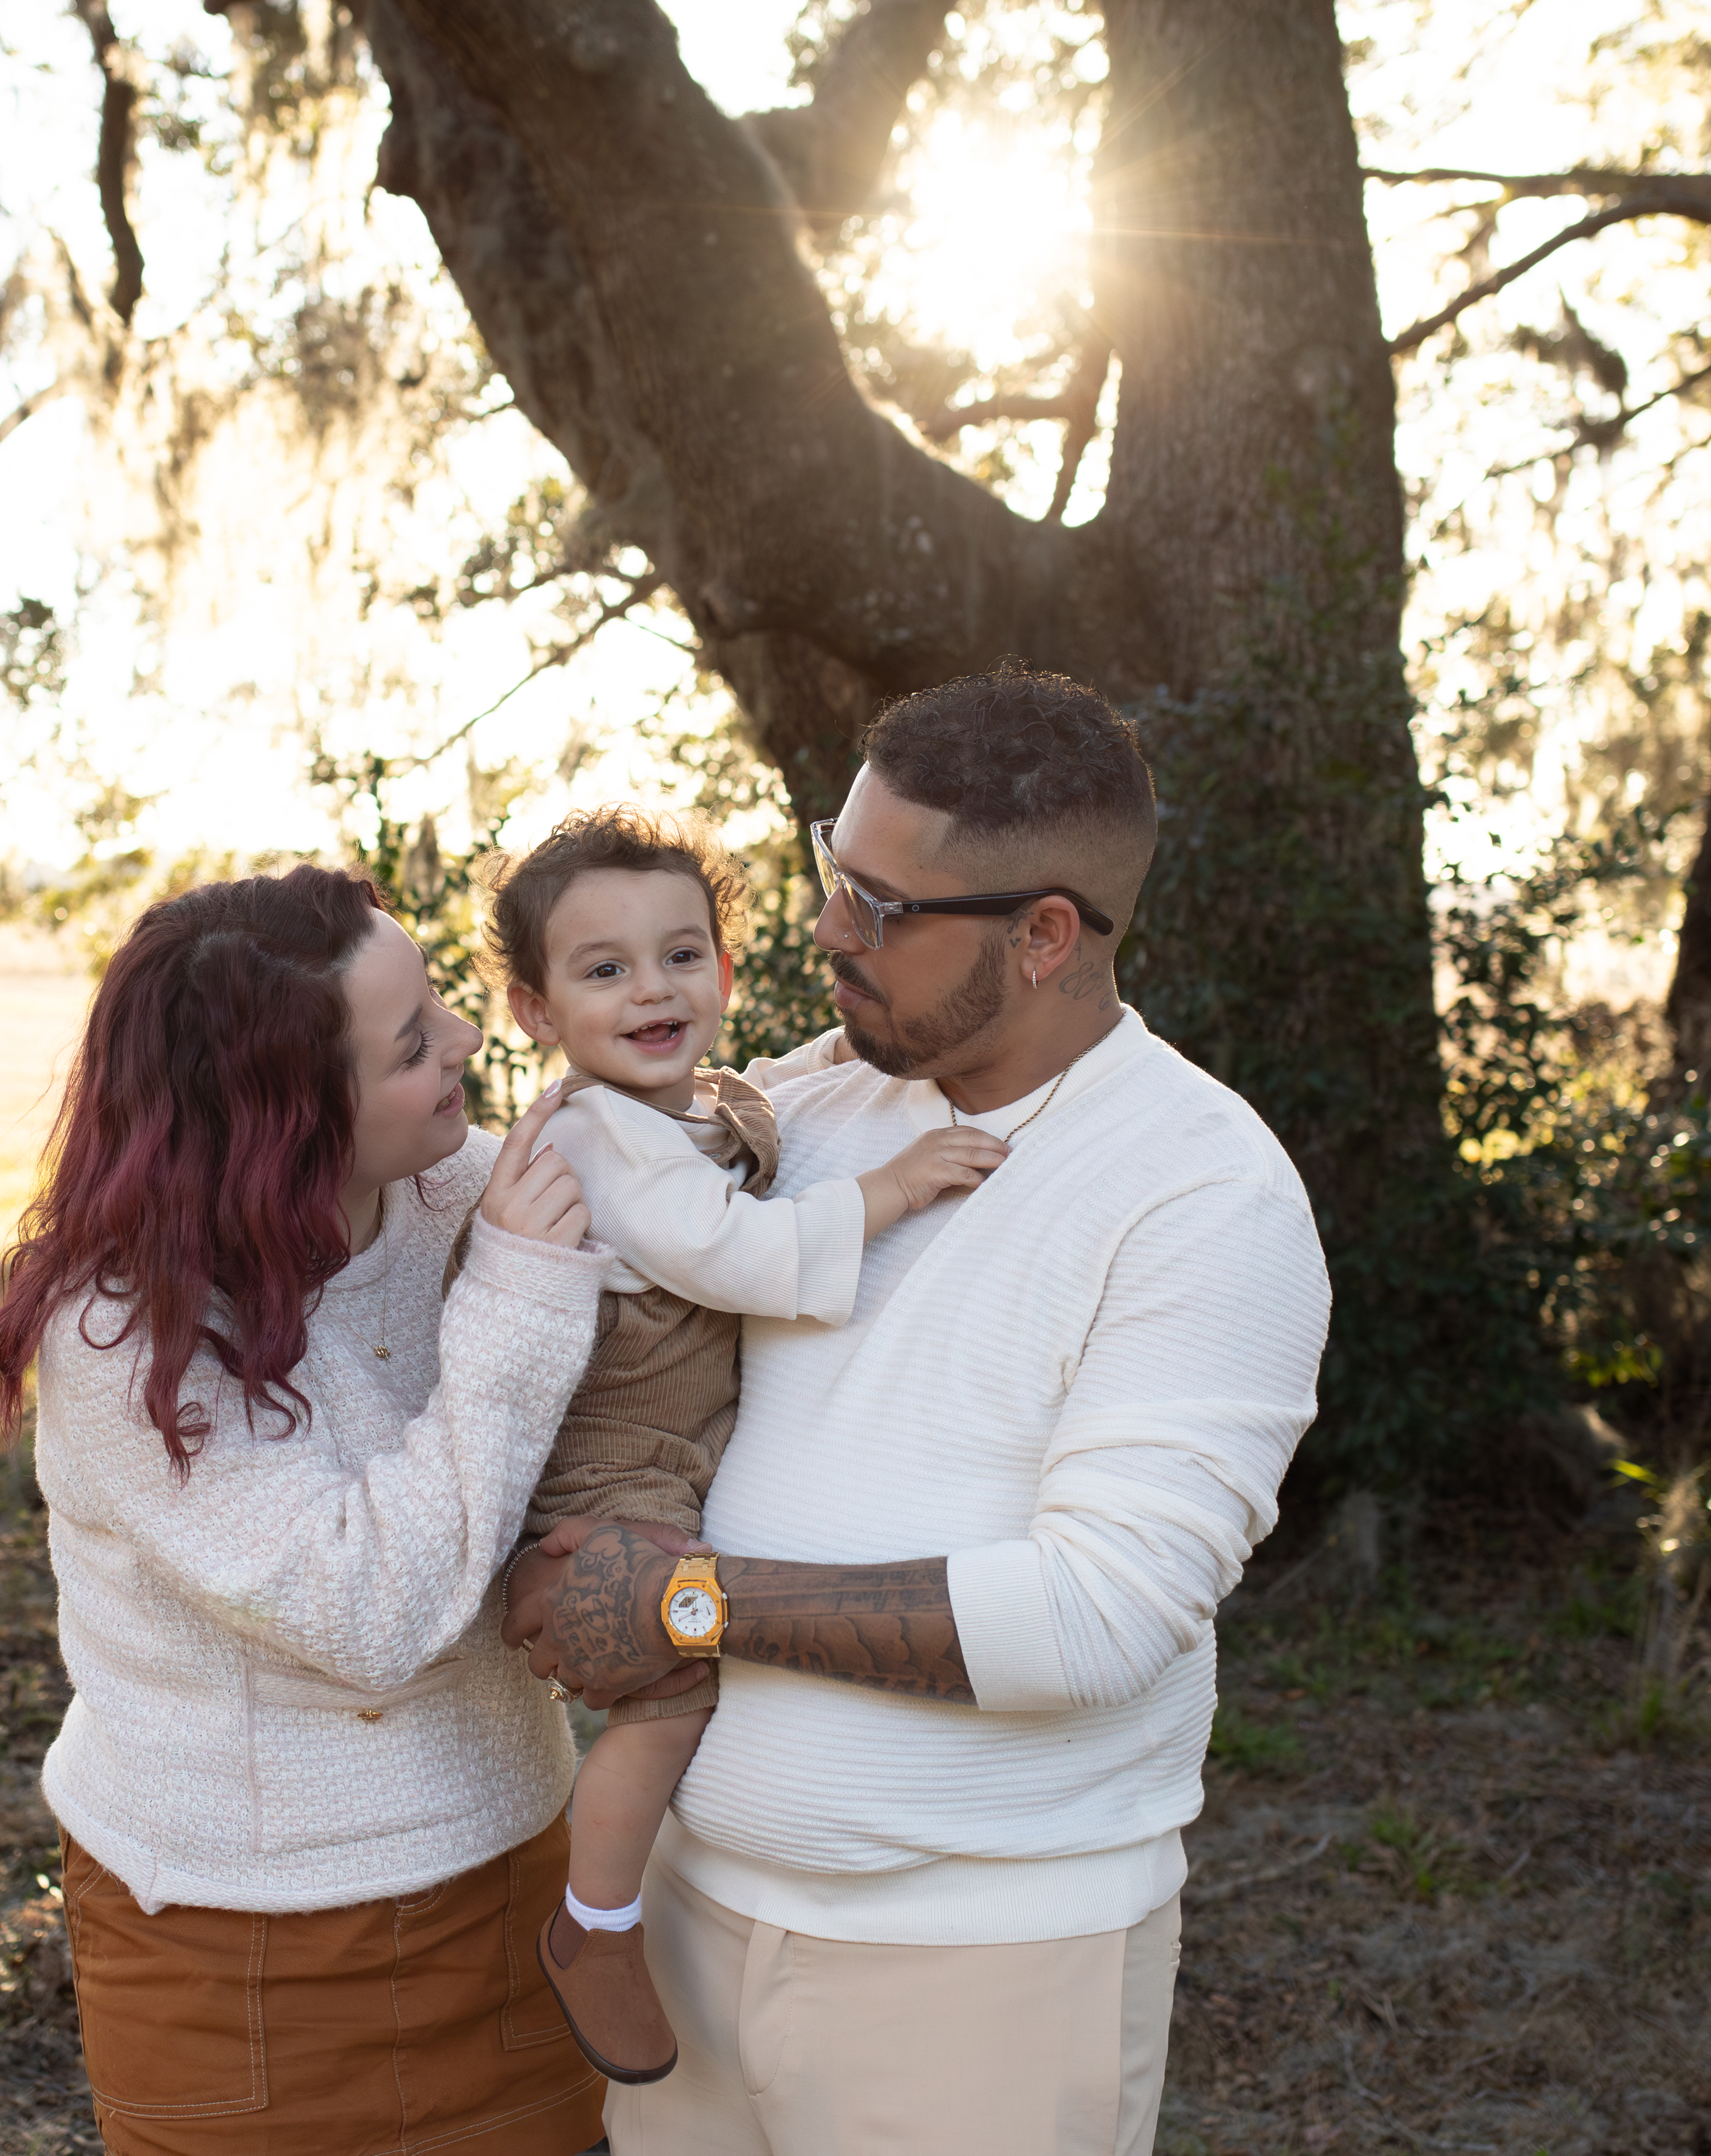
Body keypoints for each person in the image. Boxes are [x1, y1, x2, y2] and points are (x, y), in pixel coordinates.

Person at [506, 666, 1334, 2156]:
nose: (830, 933)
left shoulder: (1203, 1193)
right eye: (837, 875)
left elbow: (1092, 1619)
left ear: (1044, 937)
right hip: (687, 1918)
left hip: (980, 1974)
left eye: (885, 910)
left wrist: (682, 1607)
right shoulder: (802, 1104)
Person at [0, 864, 612, 2156]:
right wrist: (521, 1300)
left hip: (507, 1888)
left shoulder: (460, 1191)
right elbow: (367, 1611)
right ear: (285, 1121)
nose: (467, 1042)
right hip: (236, 1952)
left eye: (436, 1002)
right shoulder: (122, 1336)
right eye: (409, 1046)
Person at [474, 807, 1003, 2086]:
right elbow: (737, 1253)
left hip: (671, 1448)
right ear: (534, 1010)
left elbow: (761, 1103)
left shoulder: (689, 1099)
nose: (652, 990)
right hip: (607, 1465)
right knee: (671, 1690)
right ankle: (592, 1923)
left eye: (681, 955)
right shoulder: (598, 1139)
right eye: (602, 972)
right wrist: (889, 1187)